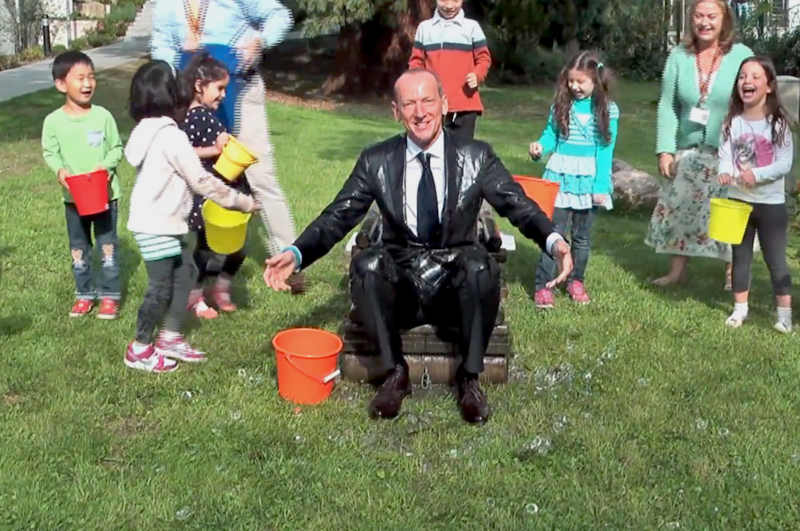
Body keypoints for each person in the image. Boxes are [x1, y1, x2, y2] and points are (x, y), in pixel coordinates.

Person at [264, 69, 572, 424]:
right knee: (366, 264)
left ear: (444, 104)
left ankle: (469, 379)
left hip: (454, 287)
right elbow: (338, 215)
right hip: (403, 284)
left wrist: (554, 240)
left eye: (428, 100)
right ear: (396, 111)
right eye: (409, 103)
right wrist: (297, 253)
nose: (420, 112)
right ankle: (395, 373)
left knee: (481, 265)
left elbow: (517, 204)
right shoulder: (375, 160)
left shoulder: (477, 156)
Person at [151, 0, 305, 293]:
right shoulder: (166, 4)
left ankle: (288, 262)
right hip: (194, 99)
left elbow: (278, 15)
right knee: (194, 177)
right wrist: (171, 73)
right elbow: (161, 44)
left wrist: (259, 41)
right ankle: (195, 266)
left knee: (261, 177)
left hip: (242, 90)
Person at [123, 60, 257, 373]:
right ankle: (140, 348)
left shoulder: (147, 129)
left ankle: (169, 336)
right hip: (157, 226)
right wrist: (241, 202)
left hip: (161, 224)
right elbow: (201, 180)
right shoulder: (171, 136)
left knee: (183, 274)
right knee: (161, 286)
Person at [645, 0, 752, 288]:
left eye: (711, 16)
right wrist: (665, 149)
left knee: (731, 211)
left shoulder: (742, 55)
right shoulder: (679, 55)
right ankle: (677, 272)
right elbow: (667, 105)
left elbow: (753, 99)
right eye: (698, 16)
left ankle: (733, 274)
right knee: (681, 207)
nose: (704, 22)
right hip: (689, 149)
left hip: (731, 150)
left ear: (724, 19)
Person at [528, 51, 619, 309]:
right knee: (553, 233)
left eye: (581, 82)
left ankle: (575, 280)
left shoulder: (608, 111)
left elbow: (605, 150)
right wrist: (539, 149)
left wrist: (600, 186)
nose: (575, 87)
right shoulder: (561, 106)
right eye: (571, 81)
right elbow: (550, 136)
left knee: (582, 238)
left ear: (596, 81)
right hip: (560, 175)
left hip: (588, 180)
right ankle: (543, 285)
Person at [42, 50, 124, 319]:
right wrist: (60, 170)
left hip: (104, 196)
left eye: (91, 76)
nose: (88, 83)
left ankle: (109, 296)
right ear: (61, 84)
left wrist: (107, 166)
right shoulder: (53, 122)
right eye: (80, 78)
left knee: (107, 246)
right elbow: (50, 152)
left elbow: (116, 147)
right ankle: (84, 294)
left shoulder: (103, 116)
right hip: (73, 199)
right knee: (79, 248)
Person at [717, 56, 793, 332]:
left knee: (775, 260)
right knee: (740, 257)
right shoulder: (732, 122)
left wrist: (757, 175)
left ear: (770, 86)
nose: (746, 81)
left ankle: (784, 314)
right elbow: (725, 155)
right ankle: (740, 310)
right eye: (742, 77)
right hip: (738, 203)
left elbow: (784, 163)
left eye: (754, 77)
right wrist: (725, 171)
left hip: (770, 204)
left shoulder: (778, 124)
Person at [181, 52, 252, 319]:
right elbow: (186, 153)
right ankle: (195, 297)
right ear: (200, 86)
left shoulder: (204, 115)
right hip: (206, 196)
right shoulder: (197, 117)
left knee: (235, 246)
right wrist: (215, 148)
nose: (223, 94)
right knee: (204, 248)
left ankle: (219, 289)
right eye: (219, 88)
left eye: (225, 88)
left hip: (221, 191)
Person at [408, 0, 491, 140]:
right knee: (434, 150)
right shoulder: (424, 29)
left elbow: (484, 58)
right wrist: (419, 83)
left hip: (465, 105)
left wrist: (477, 75)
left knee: (462, 153)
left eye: (455, 0)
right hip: (433, 106)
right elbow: (416, 61)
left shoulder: (472, 27)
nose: (449, 6)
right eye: (444, 0)